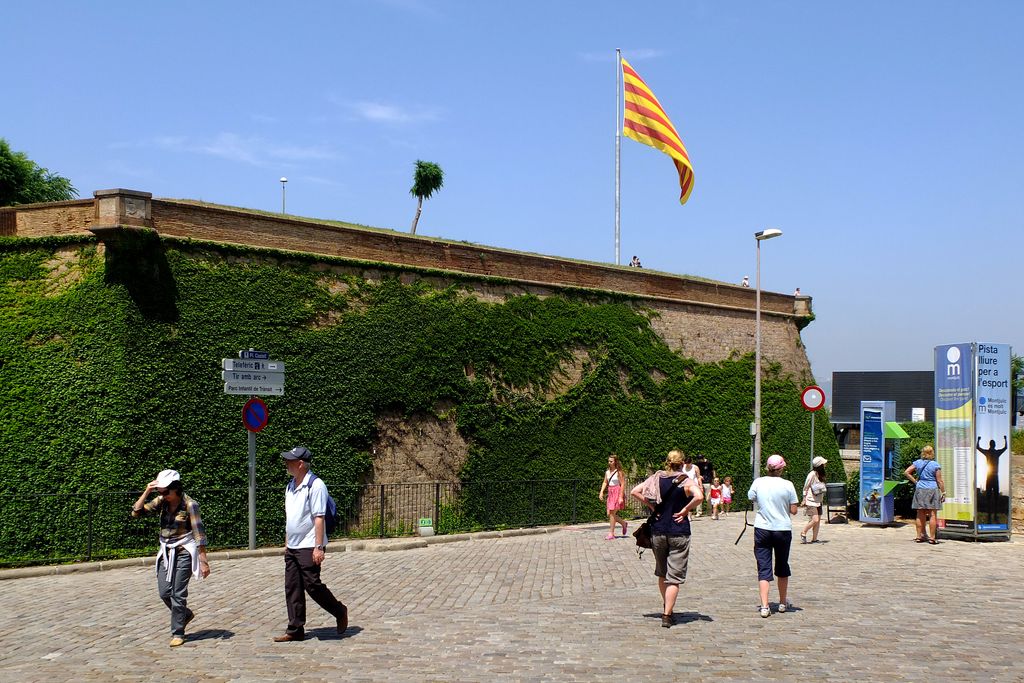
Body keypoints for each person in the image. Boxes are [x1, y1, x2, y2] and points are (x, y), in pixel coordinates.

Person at [274, 446, 349, 642]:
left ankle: (339, 610)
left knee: (312, 585)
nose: (286, 464)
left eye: (290, 461)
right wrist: (287, 542)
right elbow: (291, 517)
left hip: (309, 544)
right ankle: (295, 628)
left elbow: (319, 517)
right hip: (293, 545)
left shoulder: (315, 485)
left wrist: (318, 547)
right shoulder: (290, 486)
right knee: (292, 586)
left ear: (300, 464)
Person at [131, 469, 210, 647]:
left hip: (184, 551)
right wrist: (147, 491)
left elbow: (199, 534)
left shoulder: (190, 505)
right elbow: (136, 512)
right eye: (161, 492)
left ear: (176, 489)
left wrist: (203, 561)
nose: (163, 495)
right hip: (166, 550)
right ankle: (185, 615)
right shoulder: (161, 501)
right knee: (164, 592)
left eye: (166, 492)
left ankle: (178, 632)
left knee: (178, 593)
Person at [630, 450, 703, 628]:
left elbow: (635, 491)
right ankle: (667, 614)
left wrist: (650, 504)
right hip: (679, 531)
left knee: (663, 573)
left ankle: (667, 606)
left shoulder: (657, 478)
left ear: (667, 462)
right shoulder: (685, 481)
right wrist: (686, 510)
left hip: (658, 530)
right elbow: (699, 496)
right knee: (674, 577)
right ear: (682, 463)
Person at [747, 454, 798, 618]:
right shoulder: (788, 485)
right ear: (781, 468)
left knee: (764, 566)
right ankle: (782, 603)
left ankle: (764, 605)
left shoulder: (758, 482)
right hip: (782, 529)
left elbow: (751, 497)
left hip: (762, 528)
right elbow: (794, 510)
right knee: (782, 564)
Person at [905, 445, 945, 545]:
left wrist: (915, 482)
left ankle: (919, 536)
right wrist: (943, 492)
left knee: (920, 512)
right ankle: (932, 537)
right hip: (932, 489)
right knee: (932, 514)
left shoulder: (917, 463)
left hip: (920, 489)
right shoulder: (935, 465)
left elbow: (906, 472)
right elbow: (939, 481)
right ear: (932, 453)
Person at [976, 436, 1007, 523]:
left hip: (989, 476)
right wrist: (1005, 439)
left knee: (989, 497)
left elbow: (977, 447)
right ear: (995, 445)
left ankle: (990, 517)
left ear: (990, 445)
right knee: (996, 498)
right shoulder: (997, 453)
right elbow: (1005, 447)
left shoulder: (987, 452)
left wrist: (978, 440)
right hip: (995, 476)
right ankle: (994, 516)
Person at [599, 454, 628, 539]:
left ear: (615, 462)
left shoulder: (619, 472)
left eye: (611, 461)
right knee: (609, 513)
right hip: (610, 492)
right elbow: (605, 482)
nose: (609, 462)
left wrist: (621, 497)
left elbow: (622, 484)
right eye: (608, 461)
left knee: (612, 513)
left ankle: (611, 533)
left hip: (617, 492)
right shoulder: (607, 472)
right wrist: (601, 492)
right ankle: (623, 523)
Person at [800, 456, 828, 543]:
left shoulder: (820, 474)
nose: (825, 464)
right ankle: (803, 531)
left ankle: (814, 538)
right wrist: (804, 499)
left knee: (818, 520)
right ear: (820, 465)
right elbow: (806, 487)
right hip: (811, 500)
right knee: (815, 519)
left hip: (819, 500)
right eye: (823, 463)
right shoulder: (812, 474)